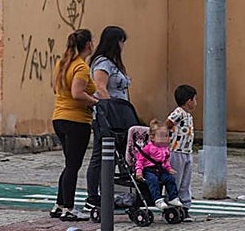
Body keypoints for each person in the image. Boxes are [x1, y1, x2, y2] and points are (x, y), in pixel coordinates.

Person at [49, 29, 99, 221]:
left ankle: (59, 204)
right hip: (76, 120)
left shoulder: (61, 64)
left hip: (59, 117)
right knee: (73, 165)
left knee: (69, 164)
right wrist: (95, 102)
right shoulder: (81, 67)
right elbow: (77, 93)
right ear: (88, 45)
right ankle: (69, 208)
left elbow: (56, 88)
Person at [82, 25, 131, 215]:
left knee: (118, 156)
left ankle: (112, 194)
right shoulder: (103, 64)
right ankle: (92, 196)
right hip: (108, 117)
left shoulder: (114, 64)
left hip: (121, 116)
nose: (122, 46)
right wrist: (112, 110)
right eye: (121, 42)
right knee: (100, 156)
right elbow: (100, 88)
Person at [134, 119, 183, 210]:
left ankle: (173, 197)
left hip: (160, 170)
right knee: (153, 180)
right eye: (161, 136)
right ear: (152, 137)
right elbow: (140, 160)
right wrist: (139, 171)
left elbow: (165, 161)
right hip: (149, 170)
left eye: (166, 136)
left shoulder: (165, 148)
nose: (164, 138)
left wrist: (168, 168)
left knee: (170, 179)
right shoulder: (148, 148)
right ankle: (157, 199)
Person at [167, 84, 198, 214]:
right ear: (189, 101)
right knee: (176, 179)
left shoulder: (188, 115)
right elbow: (168, 123)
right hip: (176, 151)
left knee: (186, 181)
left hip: (187, 152)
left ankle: (185, 205)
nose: (196, 102)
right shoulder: (179, 112)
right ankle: (172, 204)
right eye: (195, 99)